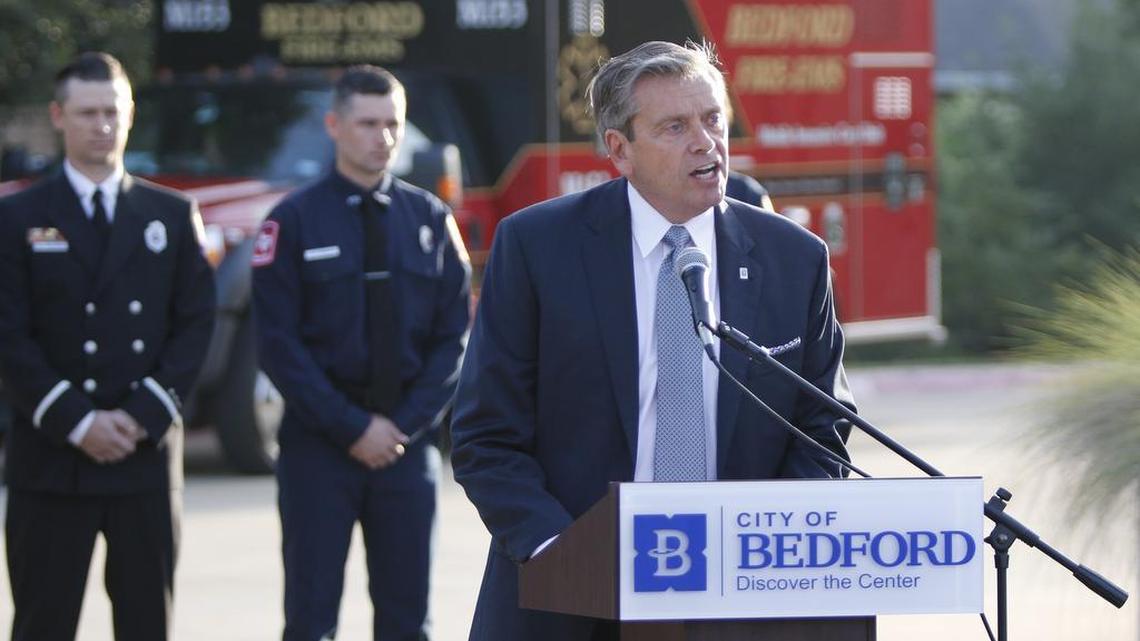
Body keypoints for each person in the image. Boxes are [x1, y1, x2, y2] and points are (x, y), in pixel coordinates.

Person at [449, 41, 854, 641]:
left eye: (713, 118)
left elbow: (823, 427)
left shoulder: (794, 258)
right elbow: (486, 434)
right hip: (568, 594)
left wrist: (766, 546)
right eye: (675, 127)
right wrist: (562, 553)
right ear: (620, 150)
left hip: (736, 597)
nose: (706, 142)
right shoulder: (537, 247)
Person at [0, 52, 216, 641]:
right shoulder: (17, 216)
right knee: (42, 624)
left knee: (146, 624)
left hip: (142, 458)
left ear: (130, 115)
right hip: (51, 459)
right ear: (58, 116)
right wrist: (76, 421)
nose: (102, 125)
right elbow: (9, 334)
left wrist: (142, 415)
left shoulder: (171, 214)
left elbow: (196, 323)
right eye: (87, 113)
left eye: (112, 112)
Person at [252, 65, 471, 641]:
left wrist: (402, 425)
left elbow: (454, 336)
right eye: (368, 124)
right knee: (310, 618)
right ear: (334, 126)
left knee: (408, 621)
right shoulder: (293, 221)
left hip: (405, 445)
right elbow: (277, 344)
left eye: (393, 124)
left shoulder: (429, 220)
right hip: (319, 448)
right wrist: (352, 427)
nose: (384, 137)